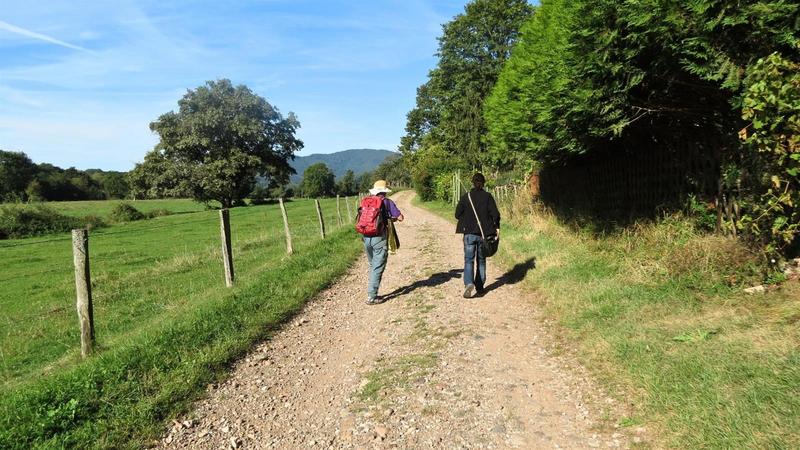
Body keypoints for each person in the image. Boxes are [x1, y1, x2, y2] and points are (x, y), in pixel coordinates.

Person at [455, 172, 500, 298]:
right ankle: (480, 287)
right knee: (481, 260)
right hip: (483, 234)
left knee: (468, 260)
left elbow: (457, 214)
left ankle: (469, 283)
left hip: (469, 233)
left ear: (473, 183)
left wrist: (466, 217)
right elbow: (495, 215)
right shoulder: (488, 197)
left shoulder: (466, 197)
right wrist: (496, 227)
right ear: (483, 183)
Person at [362, 180, 404, 304]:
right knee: (377, 266)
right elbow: (400, 217)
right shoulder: (387, 202)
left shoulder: (367, 201)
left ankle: (371, 289)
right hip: (379, 238)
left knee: (373, 265)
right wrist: (392, 218)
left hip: (366, 237)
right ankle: (372, 296)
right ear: (385, 191)